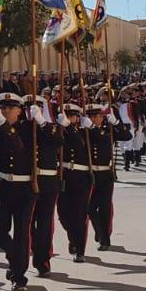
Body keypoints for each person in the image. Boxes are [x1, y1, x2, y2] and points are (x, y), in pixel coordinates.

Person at [0, 93, 36, 291]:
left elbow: (18, 146)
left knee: (21, 233)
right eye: (3, 107)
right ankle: (14, 257)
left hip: (24, 187)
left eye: (11, 107)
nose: (7, 110)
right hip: (2, 185)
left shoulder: (29, 128)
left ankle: (18, 276)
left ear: (20, 110)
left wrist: (43, 120)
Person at [85, 100, 131, 252]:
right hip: (90, 174)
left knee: (104, 208)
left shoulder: (109, 129)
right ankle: (99, 230)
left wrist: (116, 122)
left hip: (105, 174)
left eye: (96, 116)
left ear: (102, 117)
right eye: (90, 116)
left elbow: (127, 135)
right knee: (90, 208)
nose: (93, 119)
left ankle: (105, 240)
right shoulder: (86, 131)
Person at [27, 95, 65, 278]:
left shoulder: (50, 128)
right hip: (26, 183)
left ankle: (42, 261)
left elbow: (59, 142)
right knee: (26, 225)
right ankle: (23, 258)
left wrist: (42, 123)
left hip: (48, 183)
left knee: (43, 225)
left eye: (34, 107)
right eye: (26, 107)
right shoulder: (22, 128)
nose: (30, 111)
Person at [57, 103, 96, 261]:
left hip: (80, 177)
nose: (69, 118)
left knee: (79, 215)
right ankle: (72, 236)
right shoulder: (59, 131)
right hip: (64, 175)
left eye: (72, 116)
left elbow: (80, 143)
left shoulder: (84, 131)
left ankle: (80, 250)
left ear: (78, 117)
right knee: (63, 214)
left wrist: (91, 126)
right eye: (67, 115)